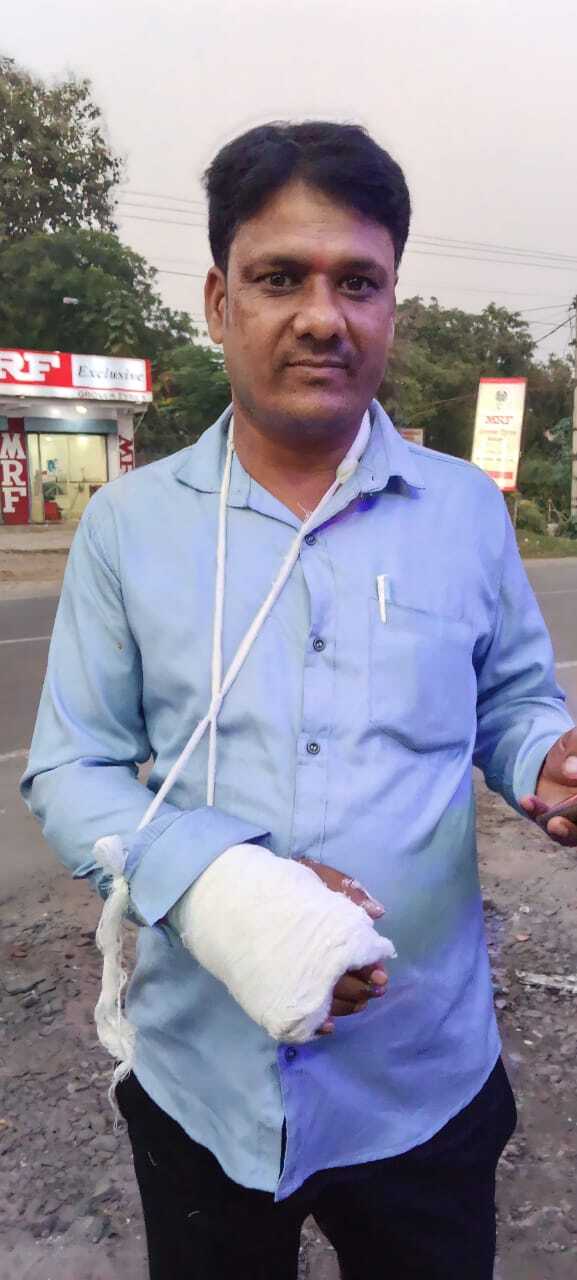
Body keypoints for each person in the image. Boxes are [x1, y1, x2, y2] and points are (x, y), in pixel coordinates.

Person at [22, 121, 577, 1280]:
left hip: (420, 1078)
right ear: (219, 300)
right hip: (204, 1079)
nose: (322, 316)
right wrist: (235, 886)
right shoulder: (130, 526)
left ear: (391, 307)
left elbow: (512, 698)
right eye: (281, 277)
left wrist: (545, 757)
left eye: (358, 282)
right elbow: (72, 767)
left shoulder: (464, 512)